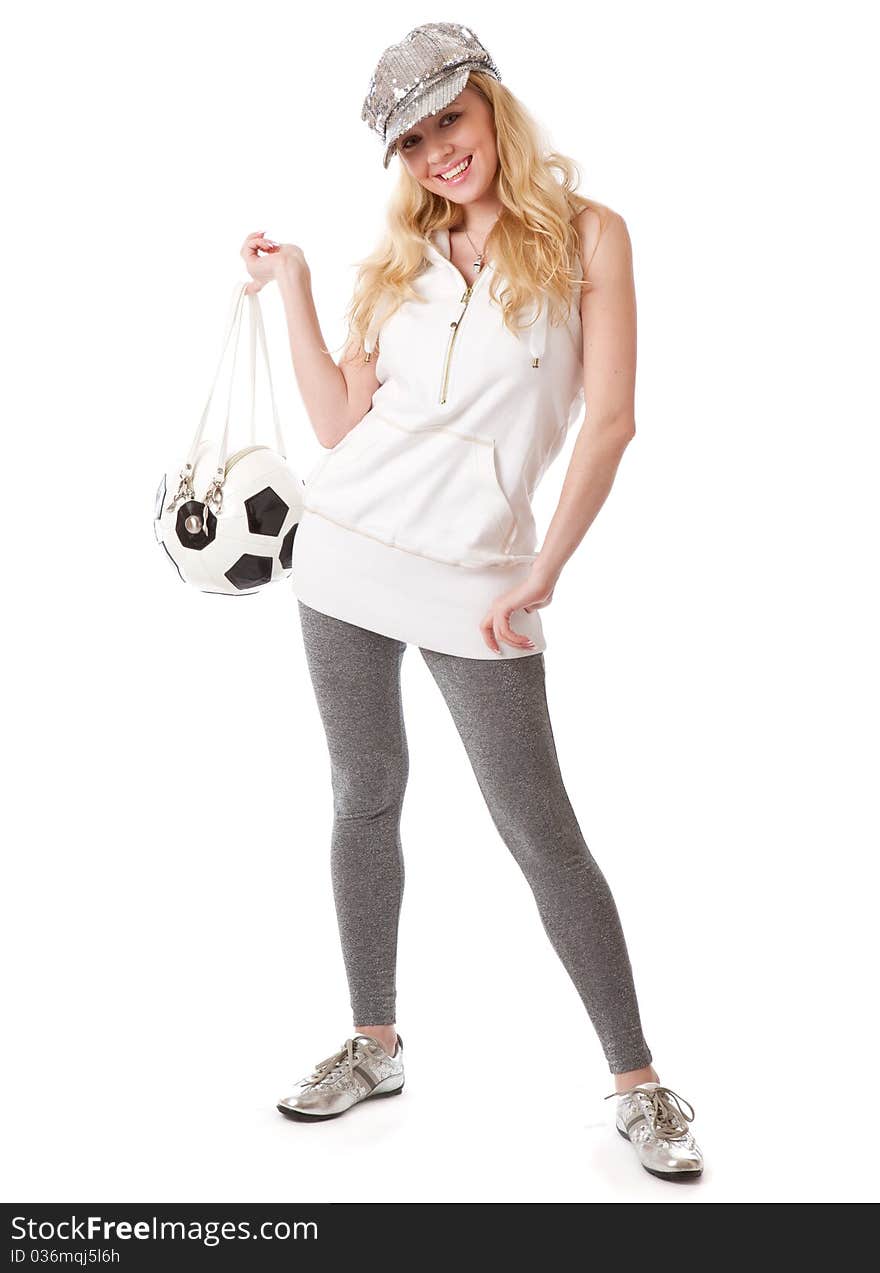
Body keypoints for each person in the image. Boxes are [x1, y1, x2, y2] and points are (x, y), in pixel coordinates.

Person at [241, 22, 703, 1182]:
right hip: (341, 556)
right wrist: (292, 284)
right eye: (409, 139)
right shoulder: (398, 258)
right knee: (363, 797)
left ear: (491, 104)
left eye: (448, 118)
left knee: (539, 831)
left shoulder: (590, 237)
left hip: (486, 580)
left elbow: (610, 421)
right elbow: (339, 428)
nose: (435, 151)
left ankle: (638, 1082)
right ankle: (373, 1040)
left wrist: (546, 569)